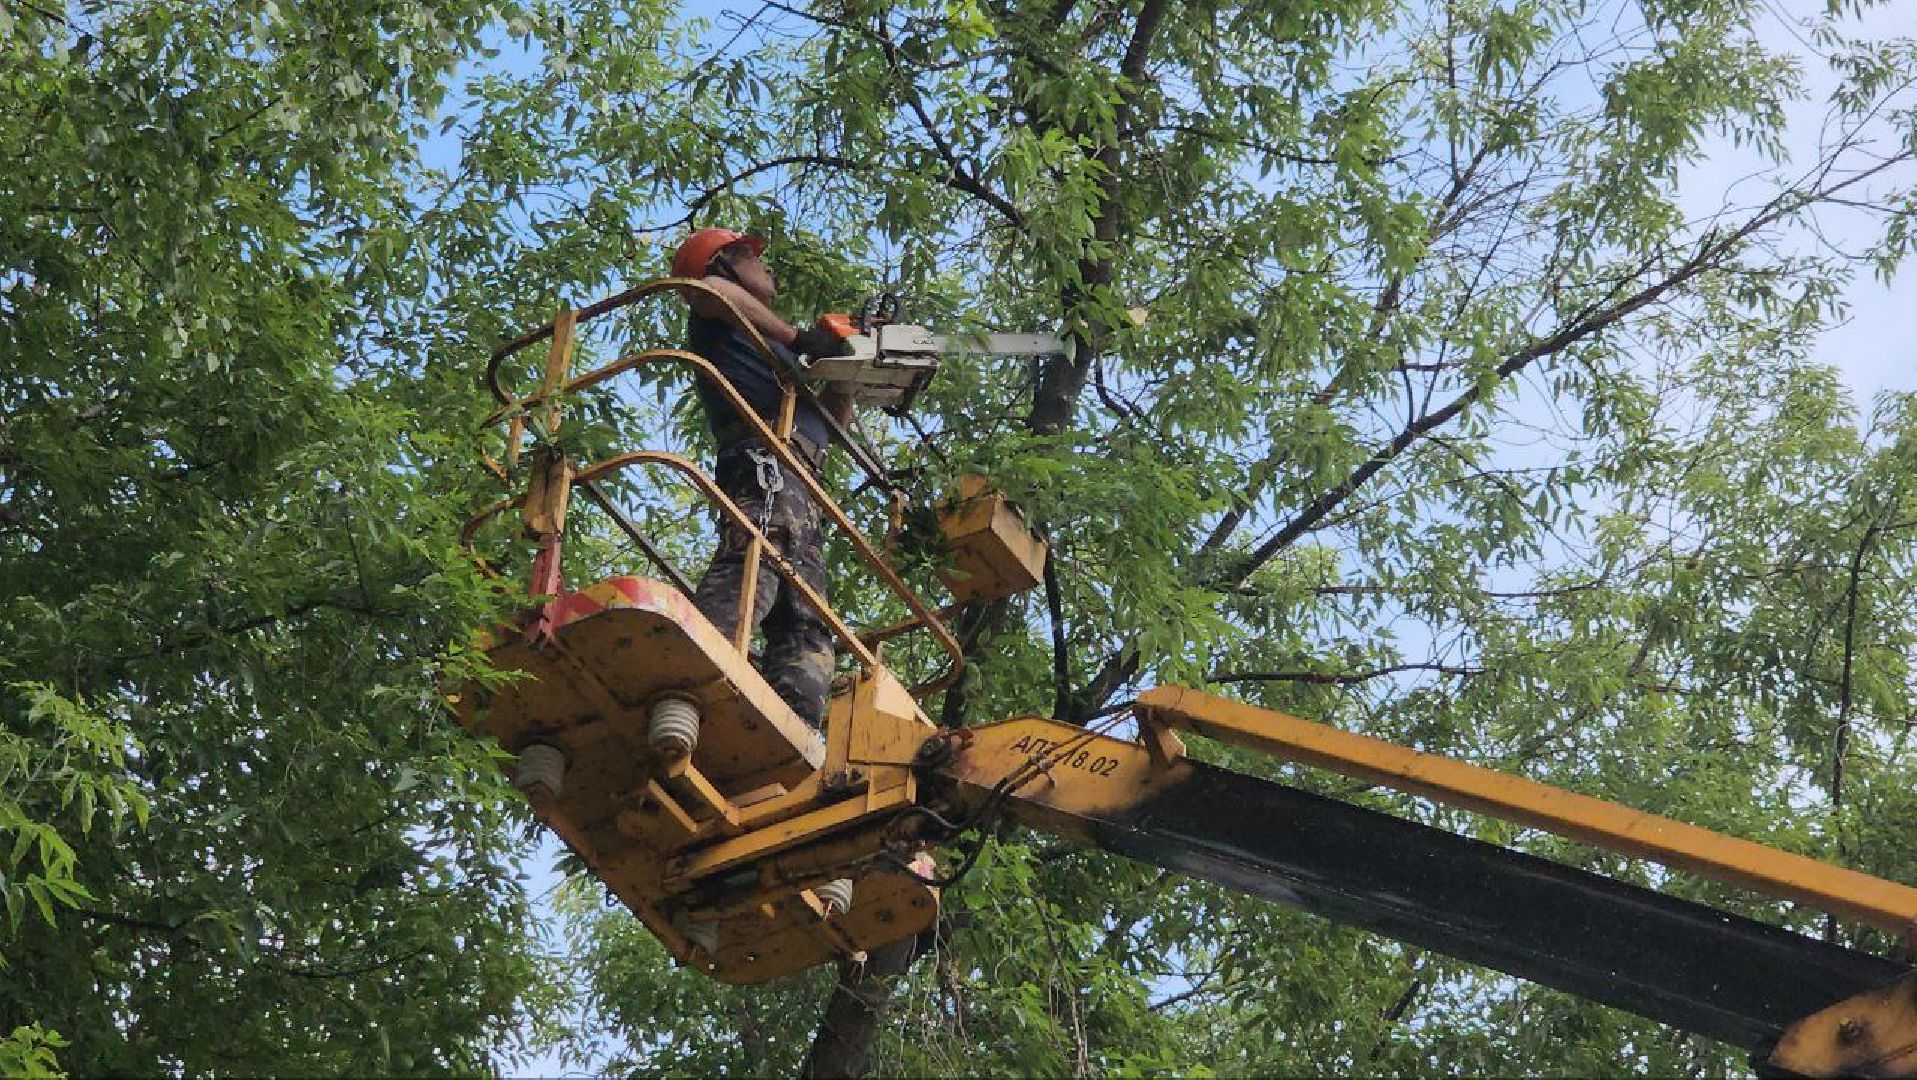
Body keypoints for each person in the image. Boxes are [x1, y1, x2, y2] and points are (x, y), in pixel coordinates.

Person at [671, 227, 854, 730]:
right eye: (752, 257)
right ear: (722, 265)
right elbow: (711, 294)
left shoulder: (781, 349)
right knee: (756, 557)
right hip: (764, 463)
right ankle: (694, 667)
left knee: (808, 614)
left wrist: (846, 366)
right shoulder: (718, 312)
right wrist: (799, 337)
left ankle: (793, 725)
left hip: (804, 481)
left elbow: (834, 427)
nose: (765, 266)